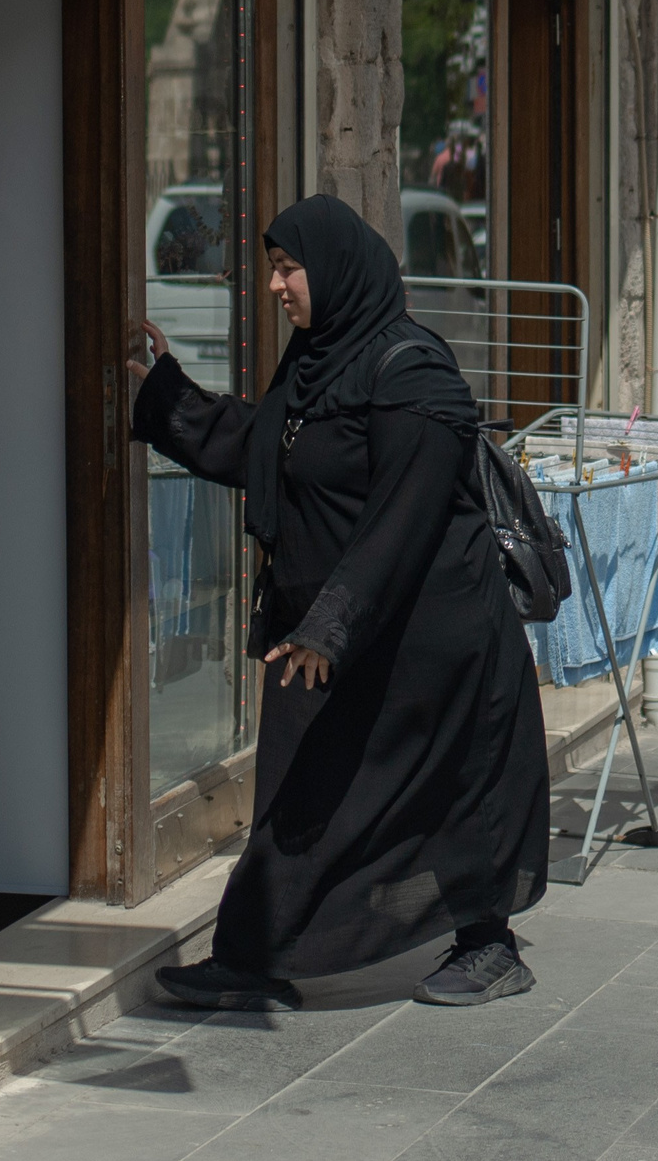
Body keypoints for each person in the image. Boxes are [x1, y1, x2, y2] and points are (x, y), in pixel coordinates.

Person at [126, 193, 550, 1011]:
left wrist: (331, 621)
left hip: (431, 644)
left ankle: (489, 942)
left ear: (339, 270)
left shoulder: (411, 371)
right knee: (301, 794)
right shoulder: (318, 364)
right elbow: (262, 449)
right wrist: (164, 395)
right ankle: (253, 954)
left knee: (457, 790)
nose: (278, 286)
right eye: (273, 270)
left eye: (289, 269)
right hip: (333, 636)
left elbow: (405, 515)